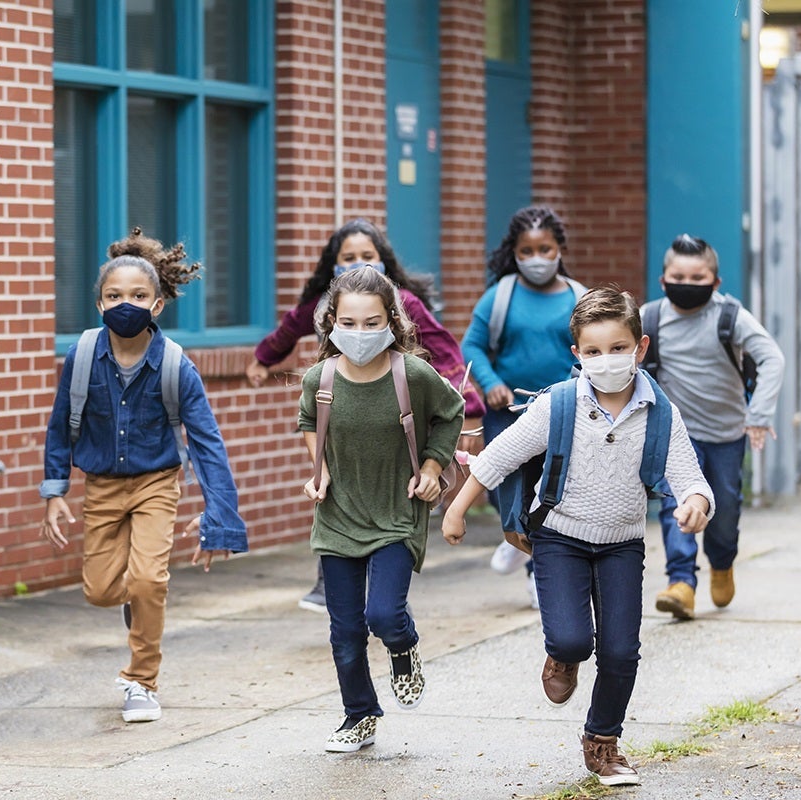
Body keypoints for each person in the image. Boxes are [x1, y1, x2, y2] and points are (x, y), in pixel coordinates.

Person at [441, 286, 713, 787]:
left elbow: (689, 477)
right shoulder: (559, 404)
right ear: (577, 354)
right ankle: (563, 652)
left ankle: (603, 741)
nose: (605, 360)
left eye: (617, 349)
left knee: (620, 651)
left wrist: (696, 503)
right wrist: (457, 509)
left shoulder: (661, 413)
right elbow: (502, 455)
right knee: (573, 637)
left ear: (641, 347)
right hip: (560, 539)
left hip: (622, 544)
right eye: (593, 351)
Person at [40, 228, 248, 724]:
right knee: (100, 590)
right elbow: (58, 426)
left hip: (157, 482)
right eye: (114, 296)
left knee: (150, 578)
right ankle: (134, 602)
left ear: (157, 305)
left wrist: (220, 520)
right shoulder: (84, 357)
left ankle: (141, 681)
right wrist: (54, 491)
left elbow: (207, 445)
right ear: (98, 304)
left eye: (137, 296)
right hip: (103, 486)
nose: (125, 304)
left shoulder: (177, 366)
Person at [246, 217, 483, 612]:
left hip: (392, 422)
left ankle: (388, 600)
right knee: (340, 496)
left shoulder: (403, 303)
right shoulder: (327, 304)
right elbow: (290, 326)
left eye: (368, 256)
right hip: (343, 417)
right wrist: (262, 359)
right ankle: (333, 583)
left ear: (384, 260)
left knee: (385, 593)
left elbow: (445, 350)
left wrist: (468, 412)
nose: (359, 263)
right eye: (348, 257)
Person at [297, 266, 464, 753]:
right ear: (331, 323)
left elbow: (450, 412)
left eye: (372, 323)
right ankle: (359, 715)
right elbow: (309, 421)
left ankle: (403, 645)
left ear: (392, 320)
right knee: (345, 631)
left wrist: (432, 470)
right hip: (337, 518)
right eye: (349, 323)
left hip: (396, 513)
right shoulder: (320, 378)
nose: (361, 333)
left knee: (384, 615)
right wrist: (320, 467)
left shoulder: (409, 374)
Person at [644, 233, 785, 621]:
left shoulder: (730, 317)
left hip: (725, 435)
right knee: (677, 504)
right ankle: (682, 583)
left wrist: (758, 415)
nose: (687, 285)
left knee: (723, 514)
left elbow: (772, 358)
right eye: (679, 277)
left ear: (716, 283)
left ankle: (722, 563)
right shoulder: (649, 319)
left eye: (698, 278)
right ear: (663, 279)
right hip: (676, 436)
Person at [460, 206, 586, 609]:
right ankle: (512, 531)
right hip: (509, 412)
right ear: (514, 252)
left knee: (547, 492)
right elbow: (472, 346)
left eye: (544, 248)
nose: (536, 258)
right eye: (527, 250)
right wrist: (491, 384)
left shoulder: (578, 297)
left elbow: (592, 347)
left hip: (562, 413)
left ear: (559, 249)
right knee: (502, 485)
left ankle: (537, 573)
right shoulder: (501, 296)